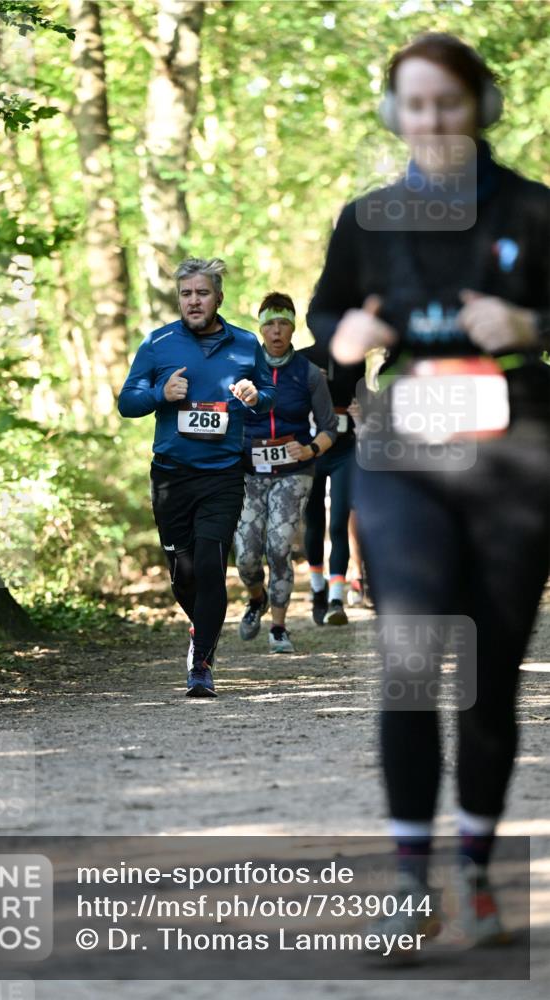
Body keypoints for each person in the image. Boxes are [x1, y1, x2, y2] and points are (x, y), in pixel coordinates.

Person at [309, 33, 550, 943]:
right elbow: (330, 308)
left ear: (481, 106)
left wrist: (528, 318)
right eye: (415, 105)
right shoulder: (366, 218)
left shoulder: (533, 212)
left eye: (448, 102)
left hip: (518, 445)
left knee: (487, 675)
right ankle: (409, 883)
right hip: (405, 442)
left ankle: (476, 872)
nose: (432, 120)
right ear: (393, 114)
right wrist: (340, 338)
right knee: (409, 658)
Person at [118, 258, 275, 698]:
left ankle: (201, 662)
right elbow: (126, 402)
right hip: (171, 476)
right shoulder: (158, 343)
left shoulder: (246, 345)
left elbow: (270, 393)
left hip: (223, 475)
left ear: (218, 298)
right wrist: (158, 394)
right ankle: (201, 625)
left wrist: (256, 395)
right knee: (183, 574)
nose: (193, 301)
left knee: (210, 563)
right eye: (186, 294)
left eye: (202, 293)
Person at [234, 293, 337, 653]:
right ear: (260, 328)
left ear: (293, 327)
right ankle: (256, 598)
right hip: (249, 472)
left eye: (283, 323)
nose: (276, 331)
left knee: (278, 548)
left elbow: (329, 427)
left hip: (294, 470)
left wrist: (310, 449)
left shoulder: (308, 374)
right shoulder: (243, 368)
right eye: (269, 324)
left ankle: (278, 627)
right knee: (246, 555)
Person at [299, 345, 362, 626]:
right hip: (310, 449)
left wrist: (365, 409)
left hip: (345, 450)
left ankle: (337, 596)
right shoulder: (300, 357)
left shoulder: (355, 357)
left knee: (338, 522)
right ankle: (317, 589)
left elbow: (368, 399)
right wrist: (309, 382)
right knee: (313, 522)